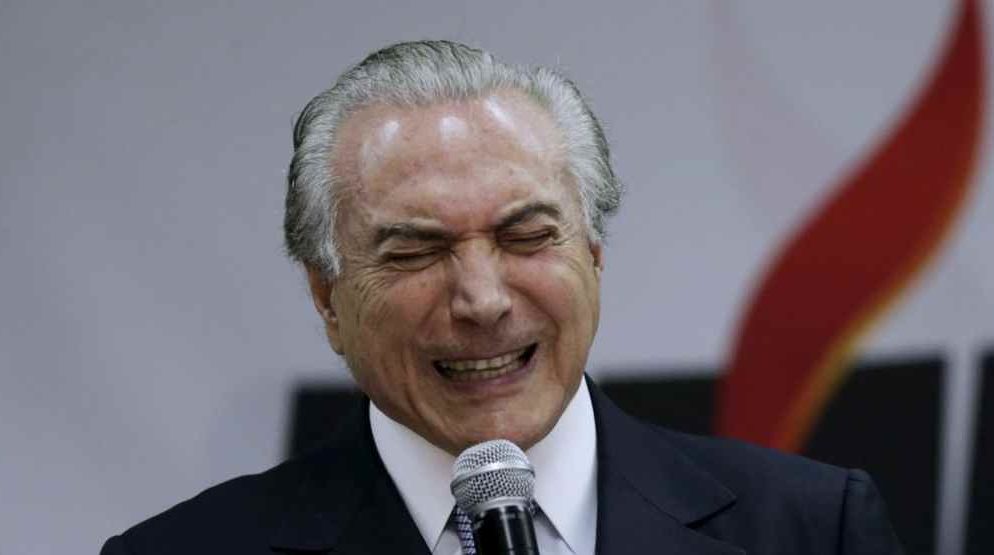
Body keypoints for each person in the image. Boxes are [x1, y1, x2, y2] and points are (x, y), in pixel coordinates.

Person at [101, 40, 903, 554]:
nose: (482, 299)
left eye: (526, 236)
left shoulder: (808, 528)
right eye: (416, 251)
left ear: (594, 254)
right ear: (326, 297)